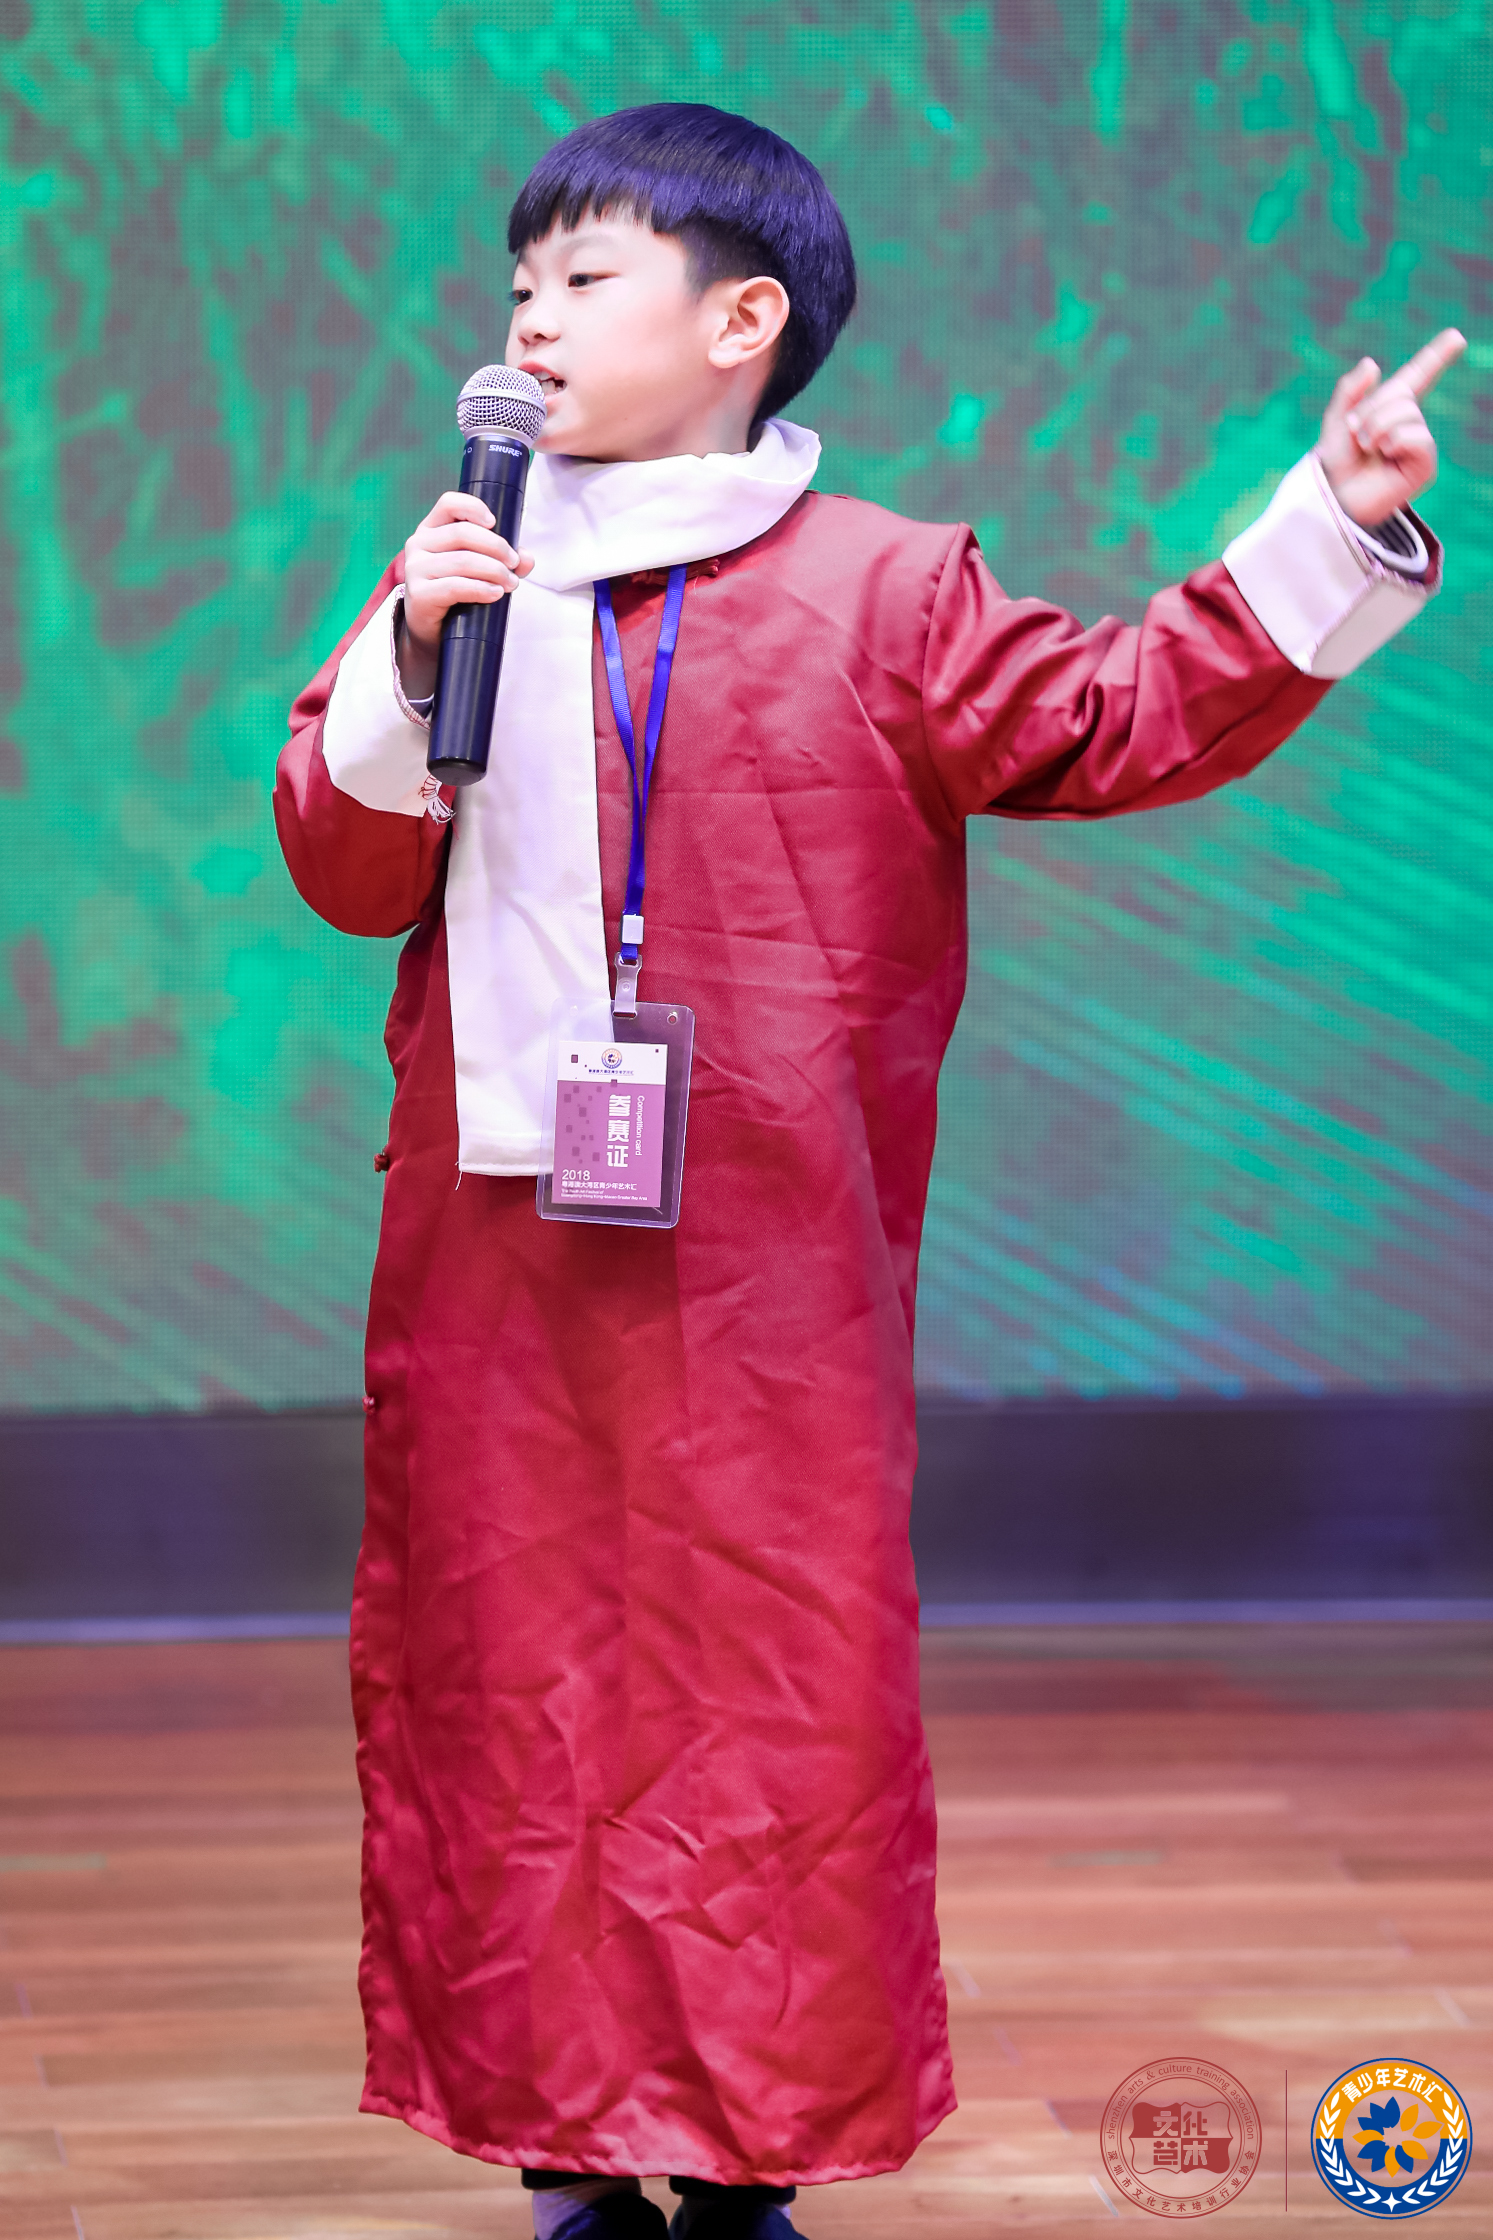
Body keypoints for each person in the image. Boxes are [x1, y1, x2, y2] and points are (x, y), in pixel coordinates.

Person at [275, 102, 1461, 2240]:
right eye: (520, 284)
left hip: (765, 1263)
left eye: (585, 279)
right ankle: (565, 2148)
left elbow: (1115, 715)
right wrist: (411, 653)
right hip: (496, 1257)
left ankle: (750, 2159)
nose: (530, 320)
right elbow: (347, 866)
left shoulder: (885, 586)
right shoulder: (460, 565)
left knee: (772, 1692)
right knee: (509, 1682)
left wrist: (1326, 522)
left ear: (742, 322)